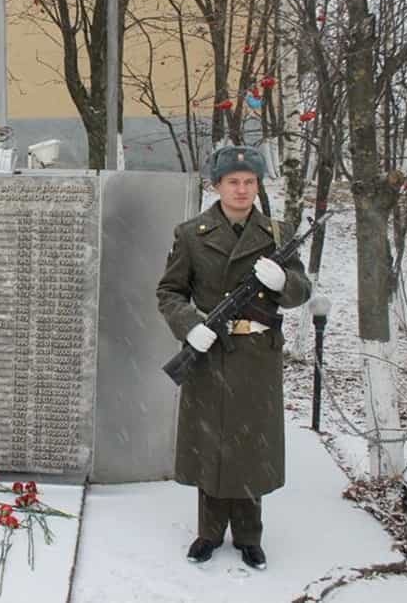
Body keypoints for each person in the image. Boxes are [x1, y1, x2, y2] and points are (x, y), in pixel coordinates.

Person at [156, 145, 311, 570]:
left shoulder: (278, 234)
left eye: (249, 182)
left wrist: (283, 282)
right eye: (233, 182)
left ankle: (248, 536)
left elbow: (301, 290)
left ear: (257, 186)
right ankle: (208, 533)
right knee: (211, 441)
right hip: (210, 352)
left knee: (249, 445)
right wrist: (192, 325)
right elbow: (169, 292)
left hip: (257, 357)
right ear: (217, 185)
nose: (241, 190)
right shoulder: (191, 233)